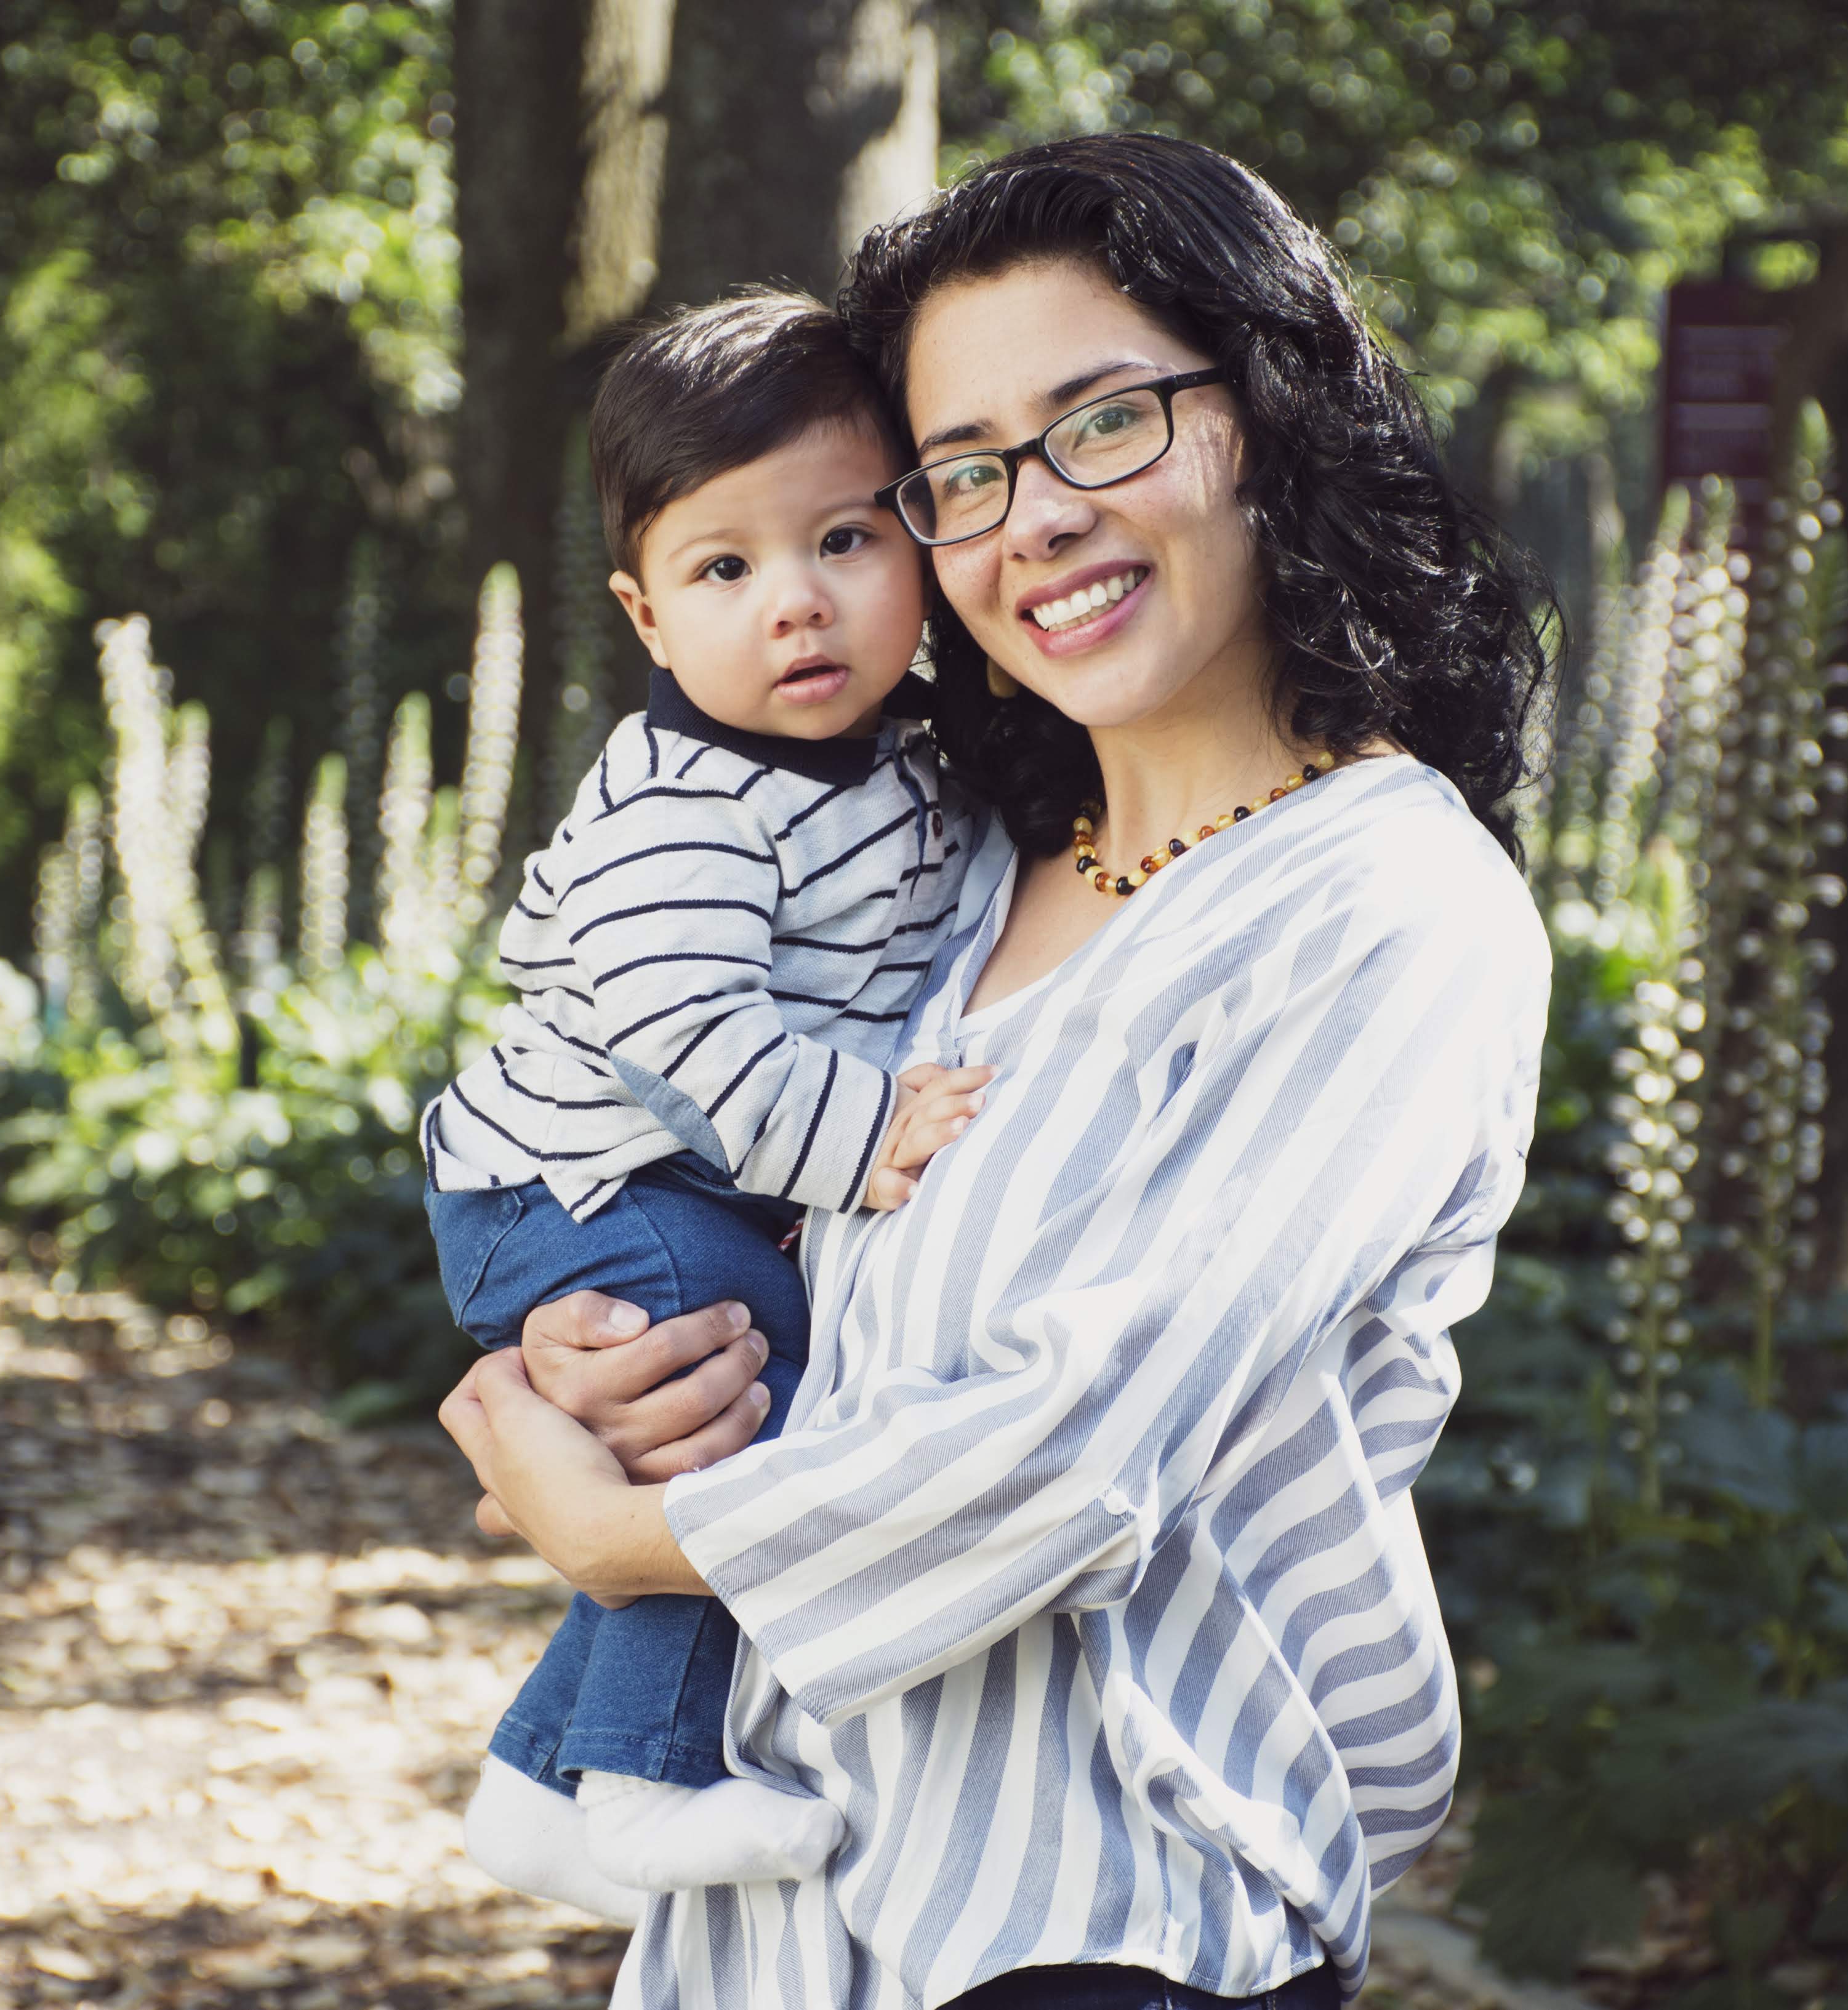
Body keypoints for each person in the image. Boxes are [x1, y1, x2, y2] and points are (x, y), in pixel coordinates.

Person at [441, 133, 1555, 2010]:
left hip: (1100, 1925)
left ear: (1269, 418)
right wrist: (591, 1366)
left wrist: (624, 1533)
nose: (1030, 516)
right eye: (960, 473)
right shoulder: (950, 880)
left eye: (1103, 422)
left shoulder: (1384, 900)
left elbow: (1071, 1450)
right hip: (778, 1933)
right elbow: (762, 1257)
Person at [421, 289, 995, 1918]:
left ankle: (541, 1778)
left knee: (741, 1383)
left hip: (665, 1177)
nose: (794, 606)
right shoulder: (682, 810)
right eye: (723, 569)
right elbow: (688, 1029)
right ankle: (642, 1781)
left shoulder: (905, 760)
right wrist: (870, 1134)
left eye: (842, 542)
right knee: (736, 1399)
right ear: (646, 616)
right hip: (571, 1184)